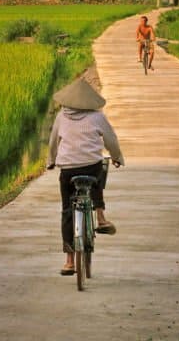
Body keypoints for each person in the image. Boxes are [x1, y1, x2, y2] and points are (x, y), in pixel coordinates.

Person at [47, 77, 124, 276]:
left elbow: (54, 141)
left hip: (68, 169)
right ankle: (100, 216)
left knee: (67, 210)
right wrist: (117, 157)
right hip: (91, 166)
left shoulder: (61, 116)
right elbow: (111, 139)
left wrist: (51, 160)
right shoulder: (97, 116)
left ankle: (69, 261)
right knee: (99, 171)